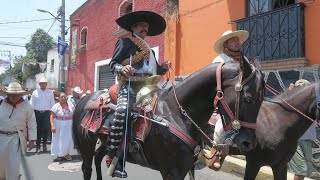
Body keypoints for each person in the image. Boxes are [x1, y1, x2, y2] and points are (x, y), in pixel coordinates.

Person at [108, 10, 171, 177]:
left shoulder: (150, 50)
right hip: (130, 85)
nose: (145, 28)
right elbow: (112, 64)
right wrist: (122, 68)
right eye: (142, 25)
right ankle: (115, 158)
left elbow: (155, 69)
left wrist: (164, 67)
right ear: (134, 27)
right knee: (122, 112)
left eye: (147, 26)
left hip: (149, 87)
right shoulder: (124, 42)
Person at [210, 30, 249, 170]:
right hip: (225, 99)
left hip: (243, 99)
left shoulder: (244, 60)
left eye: (237, 40)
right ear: (226, 44)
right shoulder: (219, 60)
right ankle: (218, 151)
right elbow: (214, 82)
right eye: (233, 40)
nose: (237, 42)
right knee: (223, 123)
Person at [0, 82, 37, 180]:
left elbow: (32, 124)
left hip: (17, 138)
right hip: (1, 137)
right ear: (7, 94)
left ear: (21, 94)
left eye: (16, 94)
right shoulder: (1, 104)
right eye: (11, 94)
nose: (14, 97)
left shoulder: (27, 107)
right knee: (1, 165)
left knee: (13, 164)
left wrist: (32, 140)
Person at [288, 79, 320, 180]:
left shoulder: (312, 103)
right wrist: (289, 93)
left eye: (303, 86)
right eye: (298, 86)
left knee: (306, 171)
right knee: (301, 169)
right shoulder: (293, 101)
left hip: (308, 140)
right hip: (295, 140)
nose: (300, 88)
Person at [30, 77, 55, 154]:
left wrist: (53, 114)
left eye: (44, 83)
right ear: (39, 84)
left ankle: (44, 145)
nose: (43, 85)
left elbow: (52, 103)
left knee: (46, 129)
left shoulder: (50, 92)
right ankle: (38, 147)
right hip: (37, 113)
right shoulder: (35, 92)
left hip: (47, 113)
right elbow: (31, 104)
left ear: (46, 84)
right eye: (41, 83)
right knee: (38, 130)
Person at [50, 92, 75, 162]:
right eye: (62, 97)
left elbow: (75, 114)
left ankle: (66, 154)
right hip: (59, 124)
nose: (63, 98)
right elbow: (52, 116)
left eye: (65, 97)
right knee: (59, 139)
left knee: (68, 139)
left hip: (69, 124)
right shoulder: (56, 106)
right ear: (59, 98)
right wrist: (52, 125)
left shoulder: (71, 105)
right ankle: (59, 155)